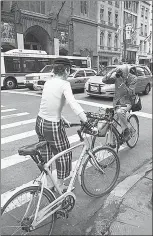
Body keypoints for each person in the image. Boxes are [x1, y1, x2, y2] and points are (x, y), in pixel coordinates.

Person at [35, 57, 97, 192]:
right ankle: (60, 186)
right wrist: (86, 120)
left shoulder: (48, 82)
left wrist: (61, 118)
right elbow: (73, 103)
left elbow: (48, 103)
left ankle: (50, 183)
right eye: (69, 70)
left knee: (46, 154)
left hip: (40, 122)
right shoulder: (64, 84)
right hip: (52, 126)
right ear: (66, 70)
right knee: (64, 153)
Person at [111, 64, 137, 146]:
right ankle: (112, 142)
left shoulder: (133, 78)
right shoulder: (117, 77)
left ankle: (129, 130)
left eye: (122, 73)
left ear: (126, 72)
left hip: (127, 102)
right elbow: (104, 80)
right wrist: (112, 71)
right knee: (112, 121)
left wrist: (123, 82)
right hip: (117, 102)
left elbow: (130, 92)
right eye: (120, 72)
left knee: (120, 112)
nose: (121, 74)